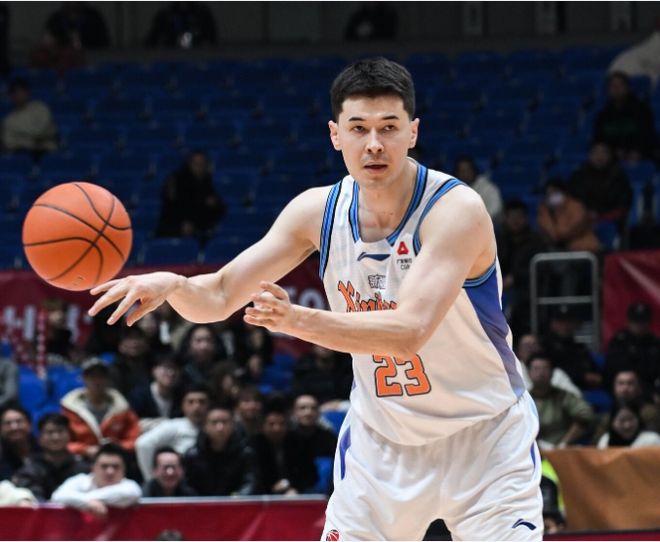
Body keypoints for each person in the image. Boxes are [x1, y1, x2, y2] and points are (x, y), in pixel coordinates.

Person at [88, 57, 544, 540]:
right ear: (335, 135)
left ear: (413, 132)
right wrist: (174, 285)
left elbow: (408, 332)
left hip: (483, 438)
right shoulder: (316, 212)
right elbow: (220, 294)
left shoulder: (454, 209)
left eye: (389, 127)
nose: (374, 143)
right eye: (359, 128)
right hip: (382, 445)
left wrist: (293, 320)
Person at [60, 357, 141, 461]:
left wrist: (118, 447)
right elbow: (62, 442)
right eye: (92, 376)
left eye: (101, 376)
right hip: (82, 460)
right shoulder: (70, 408)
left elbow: (134, 438)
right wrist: (85, 450)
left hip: (116, 459)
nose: (97, 381)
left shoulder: (122, 407)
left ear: (108, 379)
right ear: (83, 378)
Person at [135, 384, 210, 481]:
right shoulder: (173, 426)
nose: (196, 407)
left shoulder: (216, 426)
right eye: (190, 402)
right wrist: (151, 480)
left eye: (202, 402)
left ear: (209, 405)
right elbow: (143, 444)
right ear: (183, 405)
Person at [183, 403, 259, 496]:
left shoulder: (246, 454)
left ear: (233, 425)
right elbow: (187, 486)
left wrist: (237, 499)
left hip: (235, 503)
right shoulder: (192, 455)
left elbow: (250, 483)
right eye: (214, 422)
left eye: (225, 422)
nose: (220, 428)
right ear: (205, 426)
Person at [496, 199, 547, 338]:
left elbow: (540, 269)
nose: (516, 221)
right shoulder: (497, 239)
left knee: (518, 302)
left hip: (527, 288)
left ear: (526, 218)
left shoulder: (536, 240)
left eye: (519, 217)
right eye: (512, 217)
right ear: (505, 218)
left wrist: (515, 278)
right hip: (499, 285)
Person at [249, 397, 318, 495]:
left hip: (295, 494)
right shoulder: (253, 446)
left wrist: (291, 485)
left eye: (281, 424)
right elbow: (253, 478)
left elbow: (310, 475)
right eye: (271, 424)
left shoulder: (299, 443)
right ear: (262, 426)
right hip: (262, 496)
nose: (277, 428)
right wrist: (271, 488)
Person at [51, 443, 141, 518]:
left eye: (116, 467)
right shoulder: (80, 480)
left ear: (124, 470)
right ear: (93, 468)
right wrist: (88, 503)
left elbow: (132, 494)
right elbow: (57, 496)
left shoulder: (130, 485)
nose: (110, 471)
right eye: (104, 466)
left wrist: (84, 501)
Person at [12, 413, 89, 501]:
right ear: (39, 438)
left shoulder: (83, 469)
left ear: (69, 436)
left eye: (60, 431)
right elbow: (30, 499)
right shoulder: (28, 471)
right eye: (50, 432)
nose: (55, 437)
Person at [528, 354, 594, 450]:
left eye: (545, 368)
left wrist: (564, 443)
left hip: (560, 449)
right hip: (530, 450)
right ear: (529, 373)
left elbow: (586, 413)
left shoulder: (563, 396)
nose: (541, 373)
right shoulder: (523, 399)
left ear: (552, 373)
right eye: (536, 368)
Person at [155, 151, 226, 241]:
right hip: (172, 228)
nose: (199, 167)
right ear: (189, 164)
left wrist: (214, 204)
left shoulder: (208, 183)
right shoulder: (176, 181)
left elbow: (218, 209)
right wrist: (182, 224)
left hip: (199, 231)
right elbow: (171, 206)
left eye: (202, 164)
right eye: (196, 164)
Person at [592, 71, 657, 161]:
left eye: (620, 85)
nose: (616, 89)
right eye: (613, 86)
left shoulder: (642, 110)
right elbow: (598, 140)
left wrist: (638, 151)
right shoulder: (603, 115)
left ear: (628, 88)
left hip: (641, 155)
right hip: (611, 158)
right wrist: (612, 152)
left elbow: (648, 136)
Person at [604, 302, 660, 398]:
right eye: (636, 321)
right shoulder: (619, 342)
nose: (640, 325)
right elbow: (616, 372)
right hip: (625, 391)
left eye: (643, 321)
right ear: (628, 322)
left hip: (652, 389)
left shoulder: (655, 343)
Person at [129, 353, 183, 432]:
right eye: (166, 367)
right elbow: (132, 423)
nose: (171, 372)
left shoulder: (182, 395)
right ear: (154, 370)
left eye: (175, 368)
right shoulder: (139, 395)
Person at [1, 78, 58, 154]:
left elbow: (43, 131)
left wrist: (21, 137)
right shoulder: (9, 120)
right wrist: (30, 141)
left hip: (46, 151)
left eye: (21, 91)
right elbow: (9, 142)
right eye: (15, 93)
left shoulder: (41, 108)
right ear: (11, 96)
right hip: (21, 154)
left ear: (27, 92)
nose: (18, 95)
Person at [453, 156, 504, 226]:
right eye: (461, 171)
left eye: (468, 170)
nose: (465, 174)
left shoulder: (487, 188)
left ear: (474, 171)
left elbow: (496, 209)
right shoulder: (452, 190)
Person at [145, 1, 217, 49]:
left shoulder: (202, 13)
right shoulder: (164, 14)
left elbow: (212, 39)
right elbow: (151, 40)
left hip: (199, 58)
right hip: (170, 57)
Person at [44, 2, 110, 50]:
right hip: (62, 61)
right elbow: (46, 45)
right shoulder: (55, 19)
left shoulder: (94, 17)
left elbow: (105, 46)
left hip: (92, 60)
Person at [0, 403, 38, 478]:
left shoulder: (45, 449)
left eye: (19, 421)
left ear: (30, 425)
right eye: (8, 423)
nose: (14, 427)